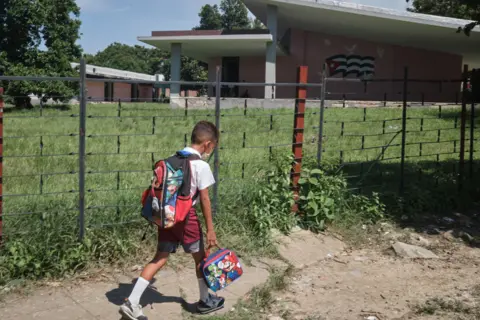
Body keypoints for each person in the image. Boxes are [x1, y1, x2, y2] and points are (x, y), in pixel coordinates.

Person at [119, 121, 224, 320]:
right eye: (213, 146)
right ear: (208, 144)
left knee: (160, 257)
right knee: (200, 258)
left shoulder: (172, 159)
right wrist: (210, 230)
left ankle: (132, 302)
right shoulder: (201, 165)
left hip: (167, 216)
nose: (213, 149)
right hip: (186, 218)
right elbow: (204, 199)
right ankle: (205, 300)